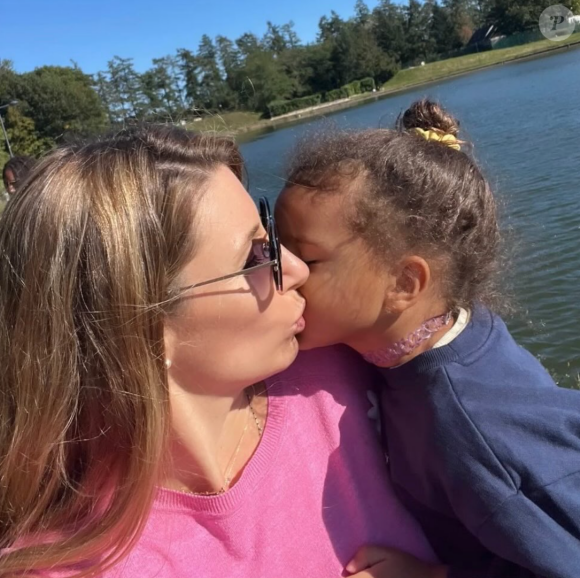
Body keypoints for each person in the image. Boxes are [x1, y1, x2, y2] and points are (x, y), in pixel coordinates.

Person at [0, 125, 434, 577]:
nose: (298, 267)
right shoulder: (73, 565)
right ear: (142, 331)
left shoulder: (345, 365)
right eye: (253, 257)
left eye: (269, 235)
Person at [275, 99, 580, 578]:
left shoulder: (468, 432)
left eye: (306, 259)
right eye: (274, 248)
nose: (281, 271)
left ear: (404, 284)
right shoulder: (447, 324)